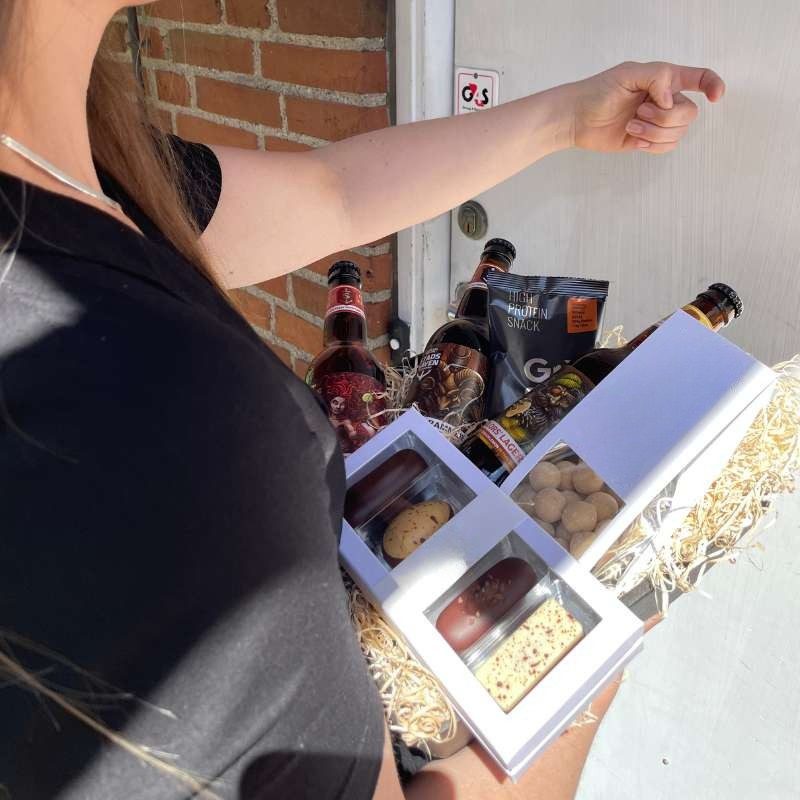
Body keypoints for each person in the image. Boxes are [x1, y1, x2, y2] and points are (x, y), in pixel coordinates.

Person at [0, 1, 724, 798]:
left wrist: (568, 116)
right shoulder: (117, 401)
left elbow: (333, 192)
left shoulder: (85, 168)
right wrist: (599, 659)